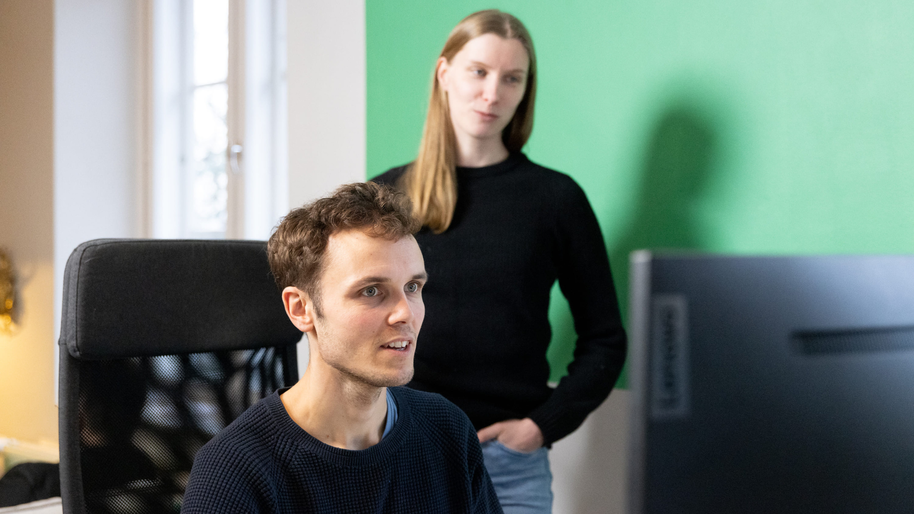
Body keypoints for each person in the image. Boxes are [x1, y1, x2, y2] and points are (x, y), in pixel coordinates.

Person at [373, 9, 627, 513]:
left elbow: (606, 338)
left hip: (508, 463)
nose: (493, 94)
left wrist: (540, 428)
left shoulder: (556, 198)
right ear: (445, 73)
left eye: (512, 79)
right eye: (479, 72)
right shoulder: (387, 196)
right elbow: (357, 322)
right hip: (399, 448)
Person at [182, 182, 503, 514]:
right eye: (371, 291)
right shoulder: (233, 472)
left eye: (412, 286)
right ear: (301, 309)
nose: (406, 312)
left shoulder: (447, 430)